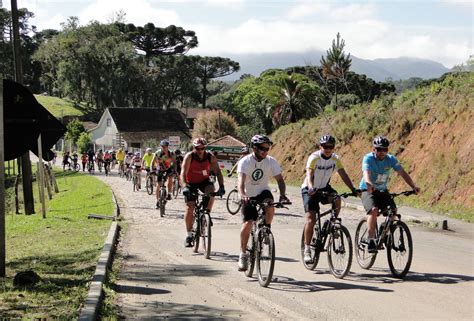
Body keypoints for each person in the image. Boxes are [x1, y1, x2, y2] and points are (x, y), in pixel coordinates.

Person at [301, 135, 359, 263]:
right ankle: (307, 249)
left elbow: (343, 174)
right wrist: (310, 187)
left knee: (337, 198)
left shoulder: (335, 158)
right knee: (311, 220)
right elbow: (309, 173)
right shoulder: (314, 157)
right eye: (325, 146)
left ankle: (333, 223)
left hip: (324, 188)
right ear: (320, 146)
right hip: (309, 189)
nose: (328, 149)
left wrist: (353, 189)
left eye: (331, 147)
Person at [236, 135, 290, 271]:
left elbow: (280, 180)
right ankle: (243, 254)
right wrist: (242, 194)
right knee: (248, 223)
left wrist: (283, 195)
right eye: (262, 148)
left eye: (267, 148)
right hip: (248, 195)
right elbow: (240, 181)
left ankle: (266, 228)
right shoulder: (245, 162)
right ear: (254, 148)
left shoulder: (271, 161)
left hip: (263, 192)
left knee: (270, 204)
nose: (266, 151)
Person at [360, 136, 420, 253]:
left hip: (382, 190)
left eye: (385, 149)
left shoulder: (390, 159)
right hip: (367, 190)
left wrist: (413, 186)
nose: (382, 152)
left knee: (393, 210)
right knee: (374, 210)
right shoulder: (368, 158)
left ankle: (384, 229)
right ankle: (371, 240)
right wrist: (368, 184)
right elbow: (366, 173)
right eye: (379, 149)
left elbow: (402, 173)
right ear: (373, 149)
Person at [180, 137, 225, 247]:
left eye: (202, 148)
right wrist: (185, 186)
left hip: (204, 181)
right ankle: (189, 235)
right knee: (190, 207)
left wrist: (222, 186)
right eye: (197, 148)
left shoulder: (210, 157)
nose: (200, 150)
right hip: (191, 182)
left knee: (211, 192)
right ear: (194, 148)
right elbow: (182, 174)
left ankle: (207, 213)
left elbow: (218, 172)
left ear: (205, 147)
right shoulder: (189, 156)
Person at [152, 140, 176, 208]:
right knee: (158, 185)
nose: (164, 148)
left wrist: (175, 170)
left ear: (168, 147)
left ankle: (169, 194)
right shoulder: (157, 152)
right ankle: (157, 201)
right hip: (160, 169)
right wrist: (152, 169)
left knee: (170, 178)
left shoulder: (171, 153)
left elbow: (174, 162)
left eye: (165, 147)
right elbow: (152, 162)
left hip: (168, 168)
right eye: (162, 146)